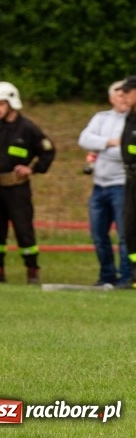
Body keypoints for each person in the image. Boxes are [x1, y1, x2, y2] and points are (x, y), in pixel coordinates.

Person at [0, 81, 55, 284]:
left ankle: (32, 268)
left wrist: (32, 169)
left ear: (11, 103)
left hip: (17, 188)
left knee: (24, 230)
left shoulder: (28, 129)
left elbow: (47, 151)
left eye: (1, 104)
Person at [78, 80, 130, 287]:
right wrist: (109, 142)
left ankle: (126, 277)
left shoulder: (132, 121)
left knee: (125, 235)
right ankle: (106, 276)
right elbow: (84, 139)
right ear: (111, 98)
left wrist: (100, 147)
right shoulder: (101, 118)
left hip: (121, 185)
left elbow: (124, 153)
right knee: (99, 234)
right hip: (99, 186)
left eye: (126, 94)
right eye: (119, 94)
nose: (123, 98)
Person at [119, 76, 136, 289]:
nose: (123, 96)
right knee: (130, 228)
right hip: (131, 181)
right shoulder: (129, 117)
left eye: (128, 92)